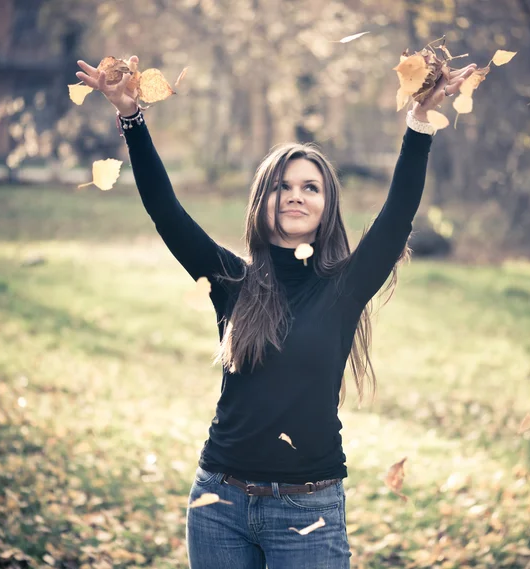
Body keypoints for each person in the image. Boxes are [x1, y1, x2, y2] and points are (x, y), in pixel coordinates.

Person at [77, 55, 476, 569]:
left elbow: (398, 214)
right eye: (282, 186)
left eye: (310, 187)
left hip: (308, 512)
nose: (295, 196)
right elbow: (166, 211)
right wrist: (131, 116)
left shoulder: (345, 287)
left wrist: (419, 124)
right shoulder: (231, 280)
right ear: (261, 201)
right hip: (218, 504)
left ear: (327, 205)